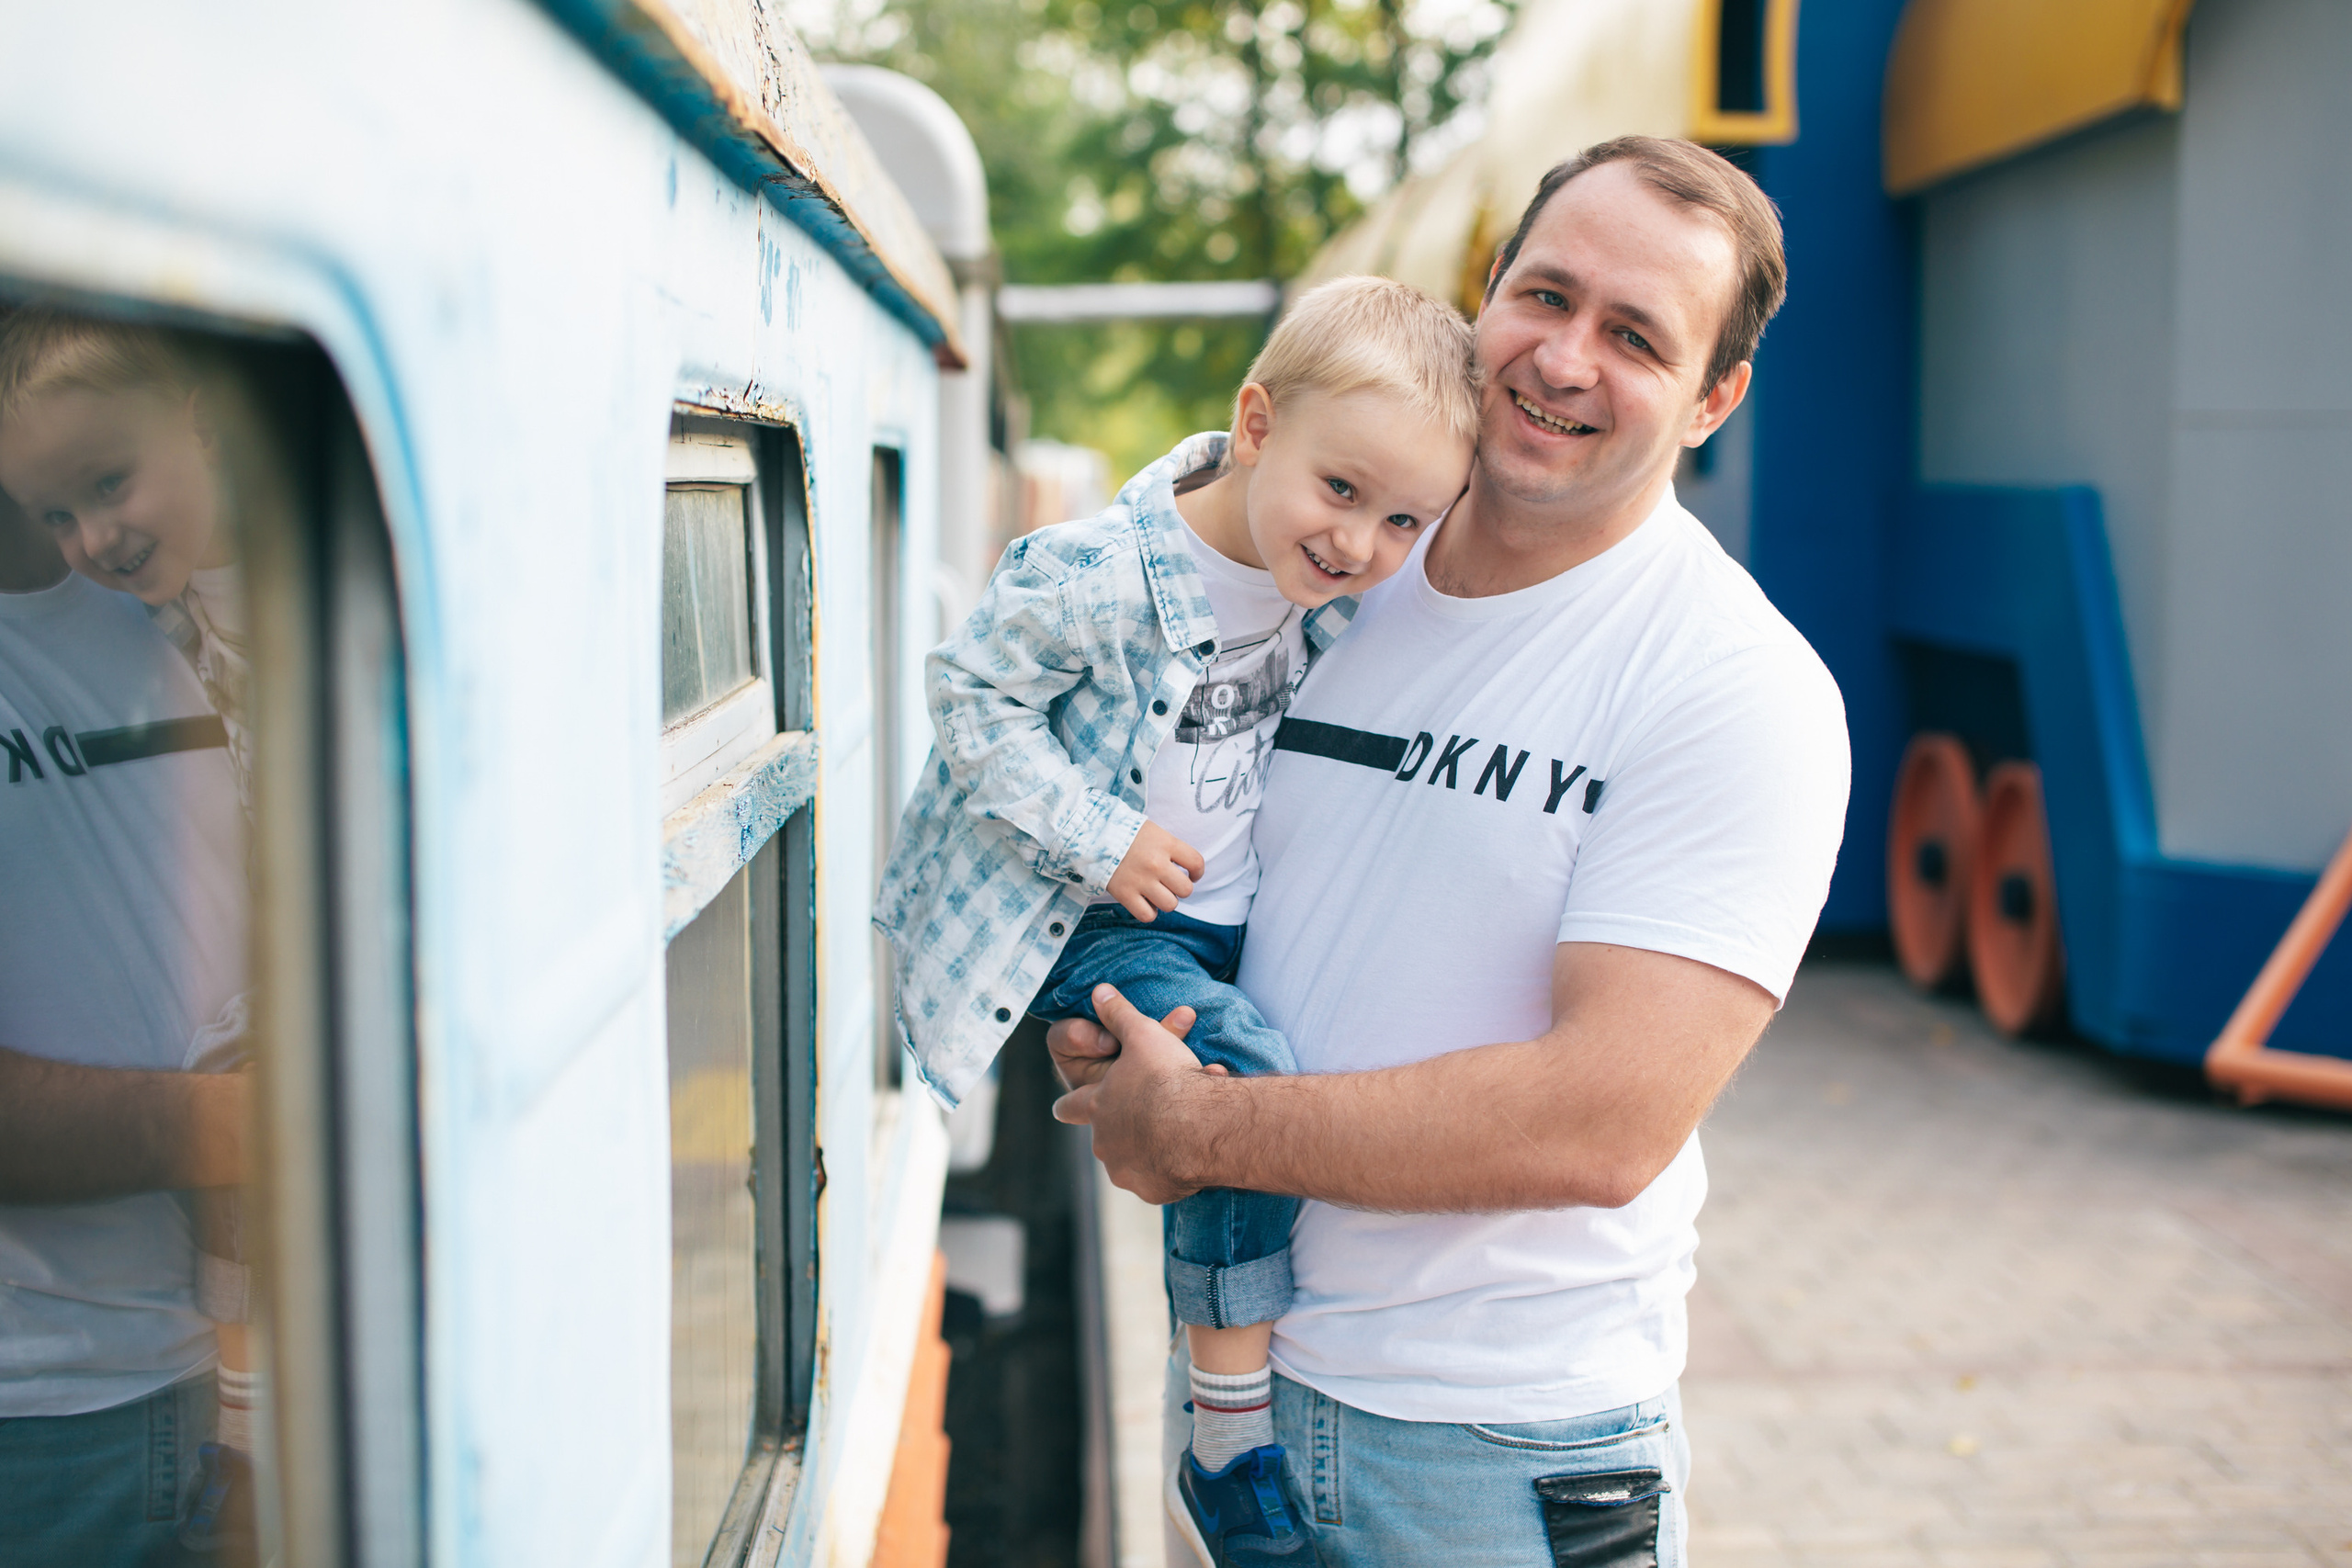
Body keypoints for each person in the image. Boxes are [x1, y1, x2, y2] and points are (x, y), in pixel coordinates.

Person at [1048, 137, 1852, 1568]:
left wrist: (1200, 1129)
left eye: (1636, 337)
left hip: (1492, 1461)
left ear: (1714, 399)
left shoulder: (1736, 688)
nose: (1565, 359)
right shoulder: (1335, 556)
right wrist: (1131, 1031)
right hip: (1231, 1386)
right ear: (1485, 293)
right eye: (1544, 295)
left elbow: (1600, 1123)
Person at [877, 276, 1479, 1562]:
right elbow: (969, 695)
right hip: (1100, 916)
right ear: (1256, 424)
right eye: (1341, 489)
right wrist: (1101, 837)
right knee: (1239, 1080)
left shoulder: (1326, 595)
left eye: (1402, 519)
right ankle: (1227, 1438)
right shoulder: (1100, 576)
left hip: (1226, 919)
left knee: (1281, 1086)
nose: (1360, 543)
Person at [0, 310, 260, 1554]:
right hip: (56, 1405)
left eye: (106, 485)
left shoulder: (176, 613)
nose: (92, 537)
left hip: (215, 1347)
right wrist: (249, 1128)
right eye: (57, 512)